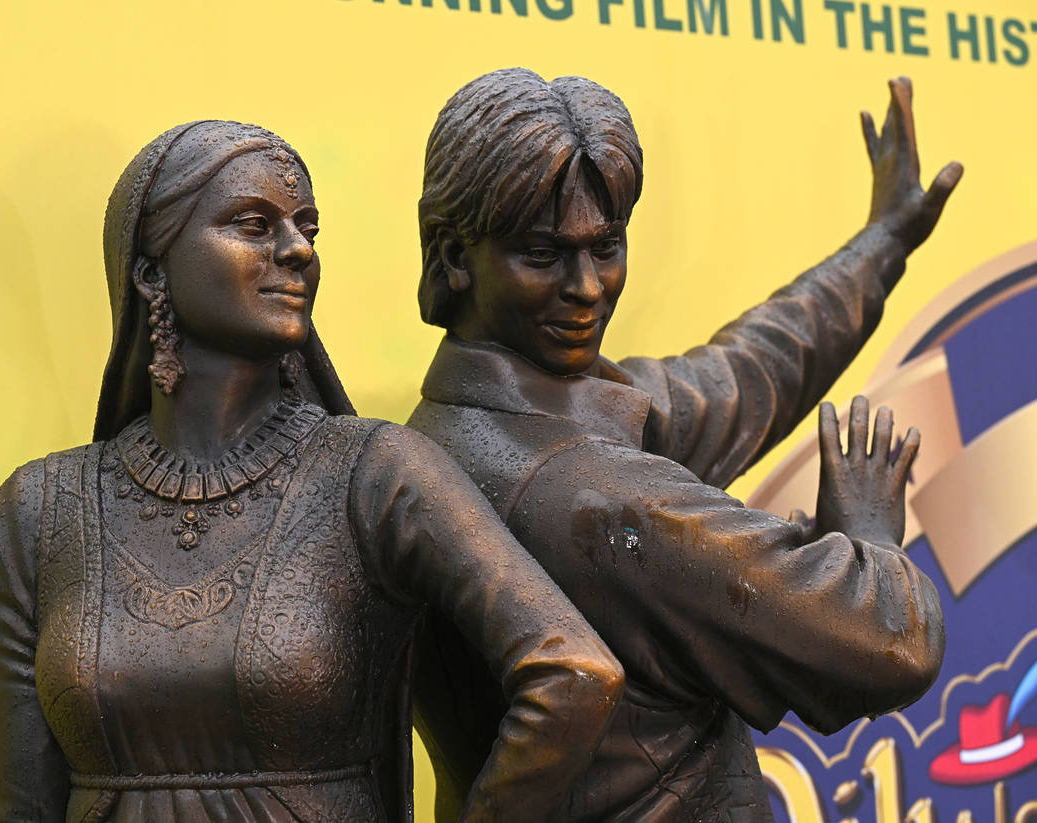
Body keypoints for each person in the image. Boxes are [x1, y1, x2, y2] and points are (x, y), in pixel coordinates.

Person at [0, 120, 624, 823]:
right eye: (253, 225)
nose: (297, 251)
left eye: (308, 229)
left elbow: (573, 670)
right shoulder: (40, 513)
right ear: (149, 267)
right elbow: (24, 805)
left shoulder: (373, 474)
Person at [407, 69, 955, 822]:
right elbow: (888, 638)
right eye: (542, 254)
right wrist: (866, 532)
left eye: (606, 247)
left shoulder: (446, 428)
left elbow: (744, 370)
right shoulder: (594, 498)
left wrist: (881, 243)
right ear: (452, 257)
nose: (588, 287)